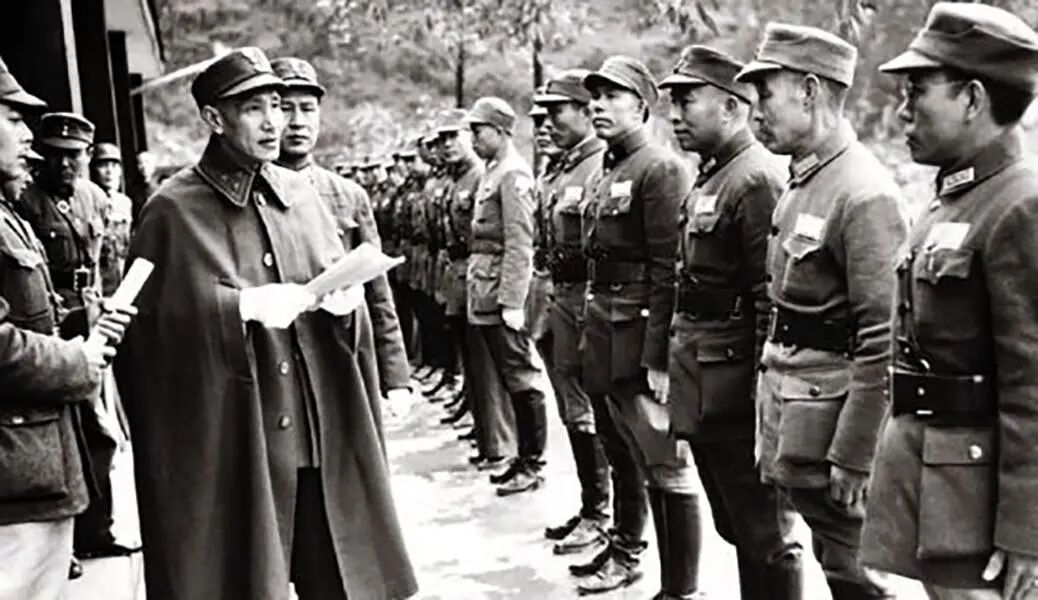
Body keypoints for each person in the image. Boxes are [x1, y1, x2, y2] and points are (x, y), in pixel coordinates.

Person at [113, 47, 417, 600]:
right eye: (254, 108)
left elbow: (333, 283)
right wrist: (238, 308)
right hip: (237, 450)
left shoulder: (302, 195)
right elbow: (143, 335)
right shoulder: (172, 210)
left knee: (340, 579)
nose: (274, 121)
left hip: (318, 441)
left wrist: (343, 306)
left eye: (277, 104)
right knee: (243, 580)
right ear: (214, 118)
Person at [859, 5, 1038, 600]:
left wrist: (1027, 531)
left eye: (918, 91)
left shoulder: (1020, 205)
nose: (902, 111)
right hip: (942, 489)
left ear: (972, 99)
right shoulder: (954, 199)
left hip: (984, 507)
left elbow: (1032, 384)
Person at [735, 23, 907, 599]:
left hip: (834, 429)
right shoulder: (805, 181)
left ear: (809, 91)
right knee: (834, 560)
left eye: (766, 94)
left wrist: (856, 454)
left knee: (857, 573)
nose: (756, 111)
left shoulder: (863, 192)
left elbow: (883, 337)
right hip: (800, 414)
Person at [659, 45, 804, 599]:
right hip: (708, 380)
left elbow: (771, 299)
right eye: (672, 103)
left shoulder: (756, 178)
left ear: (731, 106)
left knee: (767, 534)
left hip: (739, 387)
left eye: (687, 101)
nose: (675, 115)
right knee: (738, 526)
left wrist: (763, 397)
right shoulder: (713, 175)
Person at [0, 57, 134, 600]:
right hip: (14, 468)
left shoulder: (11, 211)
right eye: (13, 118)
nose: (27, 137)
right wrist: (75, 360)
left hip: (34, 465)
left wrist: (86, 331)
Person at [572, 55, 701, 598]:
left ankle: (680, 589)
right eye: (594, 98)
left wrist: (659, 358)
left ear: (643, 107)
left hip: (638, 340)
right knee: (627, 453)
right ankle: (627, 549)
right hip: (606, 334)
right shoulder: (609, 168)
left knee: (666, 467)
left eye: (612, 97)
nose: (598, 107)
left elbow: (670, 270)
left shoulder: (660, 169)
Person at [271, 56, 413, 414]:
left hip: (339, 353)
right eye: (285, 108)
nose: (298, 122)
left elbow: (378, 293)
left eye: (308, 109)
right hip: (274, 361)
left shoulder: (348, 195)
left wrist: (395, 377)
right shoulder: (247, 195)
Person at [530, 71, 613, 557]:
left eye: (556, 112)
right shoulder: (559, 170)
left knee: (590, 412)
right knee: (571, 408)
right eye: (541, 115)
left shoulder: (597, 166)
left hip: (586, 304)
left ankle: (602, 514)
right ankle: (591, 506)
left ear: (585, 112)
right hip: (557, 302)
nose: (546, 123)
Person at [464, 96, 547, 495]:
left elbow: (520, 241)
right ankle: (520, 454)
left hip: (501, 292)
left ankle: (533, 462)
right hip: (486, 288)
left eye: (479, 131)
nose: (473, 139)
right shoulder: (492, 171)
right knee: (508, 377)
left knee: (521, 376)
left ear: (500, 132)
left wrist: (513, 300)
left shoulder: (513, 174)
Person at [90, 143, 134, 297]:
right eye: (103, 165)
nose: (109, 171)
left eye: (114, 166)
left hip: (121, 277)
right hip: (99, 282)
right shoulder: (89, 201)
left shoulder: (124, 203)